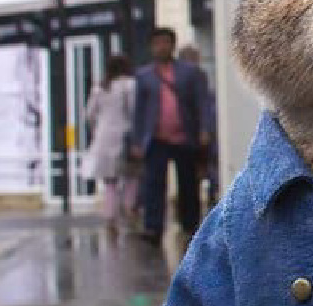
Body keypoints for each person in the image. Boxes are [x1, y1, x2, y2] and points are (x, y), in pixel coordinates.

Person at [131, 28, 212, 242]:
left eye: (165, 42)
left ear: (172, 45)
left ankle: (191, 226)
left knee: (188, 184)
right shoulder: (144, 76)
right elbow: (139, 111)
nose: (161, 47)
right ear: (151, 47)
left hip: (184, 137)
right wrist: (137, 141)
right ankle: (153, 227)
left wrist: (204, 129)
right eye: (157, 43)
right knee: (154, 184)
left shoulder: (189, 72)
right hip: (156, 138)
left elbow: (201, 102)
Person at [85, 55, 139, 235]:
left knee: (110, 181)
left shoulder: (100, 88)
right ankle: (129, 207)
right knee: (132, 176)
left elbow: (90, 114)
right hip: (126, 136)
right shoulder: (130, 85)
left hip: (103, 138)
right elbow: (134, 111)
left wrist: (97, 128)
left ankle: (110, 216)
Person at [178, 45, 219, 209]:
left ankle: (208, 195)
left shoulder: (193, 76)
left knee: (200, 169)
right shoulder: (196, 75)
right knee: (201, 169)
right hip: (193, 133)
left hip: (193, 133)